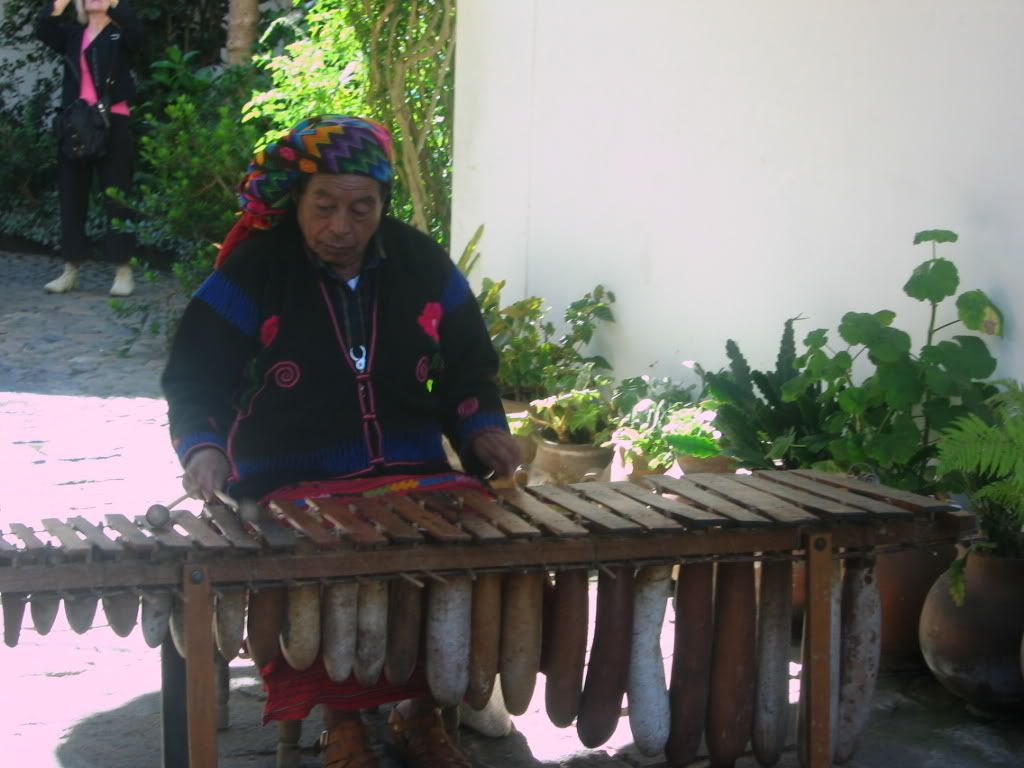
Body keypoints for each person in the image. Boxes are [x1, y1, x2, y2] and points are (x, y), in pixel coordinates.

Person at [162, 115, 520, 768]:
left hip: (415, 468)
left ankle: (421, 713)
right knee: (320, 561)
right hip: (291, 476)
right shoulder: (255, 270)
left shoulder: (421, 263)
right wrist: (203, 446)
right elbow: (195, 371)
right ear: (297, 200)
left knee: (468, 551)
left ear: (383, 205)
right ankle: (343, 719)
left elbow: (470, 362)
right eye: (323, 206)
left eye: (362, 208)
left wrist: (482, 428)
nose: (341, 226)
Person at [36, 0, 141, 296]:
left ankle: (123, 270)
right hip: (75, 124)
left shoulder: (120, 33)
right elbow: (44, 29)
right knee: (71, 196)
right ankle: (70, 269)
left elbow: (137, 34)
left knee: (117, 196)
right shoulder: (72, 34)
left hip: (113, 123)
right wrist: (58, 3)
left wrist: (116, 7)